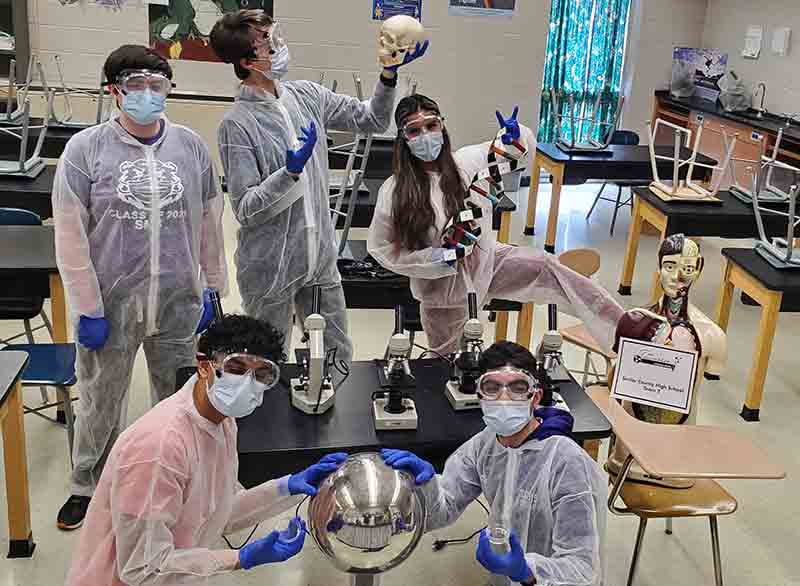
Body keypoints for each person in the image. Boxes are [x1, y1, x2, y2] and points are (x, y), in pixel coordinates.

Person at [53, 44, 229, 530]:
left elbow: (210, 223)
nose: (148, 94)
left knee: (180, 397)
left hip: (178, 299)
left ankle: (175, 479)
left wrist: (212, 288)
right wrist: (87, 306)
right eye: (136, 84)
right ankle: (86, 485)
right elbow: (70, 235)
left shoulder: (191, 147)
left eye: (158, 84)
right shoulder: (85, 150)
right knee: (100, 399)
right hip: (112, 302)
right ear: (114, 90)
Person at [210, 10, 427, 365]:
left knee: (336, 355)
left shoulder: (306, 95)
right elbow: (246, 209)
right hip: (271, 267)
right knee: (267, 361)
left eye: (275, 35)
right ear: (247, 62)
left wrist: (388, 74)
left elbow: (372, 119)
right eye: (268, 42)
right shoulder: (237, 124)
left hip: (320, 259)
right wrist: (289, 172)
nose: (279, 45)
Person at [64, 314, 348, 585]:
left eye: (261, 374)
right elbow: (142, 568)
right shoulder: (159, 449)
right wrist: (239, 558)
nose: (247, 384)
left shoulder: (220, 421)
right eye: (236, 368)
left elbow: (216, 512)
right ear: (204, 366)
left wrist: (288, 487)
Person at [367, 94, 624, 355]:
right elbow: (382, 248)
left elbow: (510, 153)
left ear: (442, 125)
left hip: (487, 262)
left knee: (546, 266)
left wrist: (515, 136)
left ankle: (623, 329)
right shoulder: (395, 191)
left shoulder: (466, 163)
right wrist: (436, 259)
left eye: (431, 125)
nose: (425, 135)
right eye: (414, 130)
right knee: (445, 361)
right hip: (442, 289)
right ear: (403, 138)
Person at [382, 341, 607, 586]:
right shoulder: (485, 446)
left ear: (535, 397)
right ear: (479, 396)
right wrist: (425, 486)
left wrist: (526, 571)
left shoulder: (566, 462)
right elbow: (442, 511)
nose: (504, 398)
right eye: (492, 387)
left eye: (518, 388)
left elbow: (583, 570)